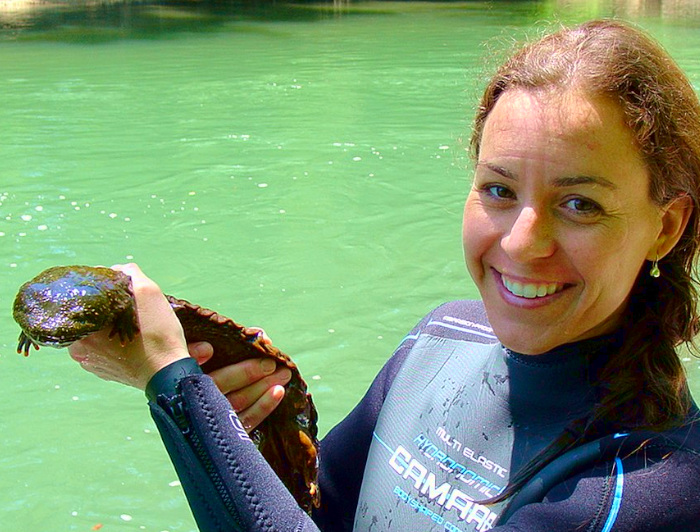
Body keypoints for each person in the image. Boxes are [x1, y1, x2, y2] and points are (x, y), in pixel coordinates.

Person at [68, 19, 700, 531]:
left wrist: (177, 390)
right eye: (499, 189)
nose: (522, 242)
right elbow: (319, 514)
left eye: (580, 204)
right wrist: (254, 434)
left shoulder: (644, 487)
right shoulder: (442, 339)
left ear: (666, 227)